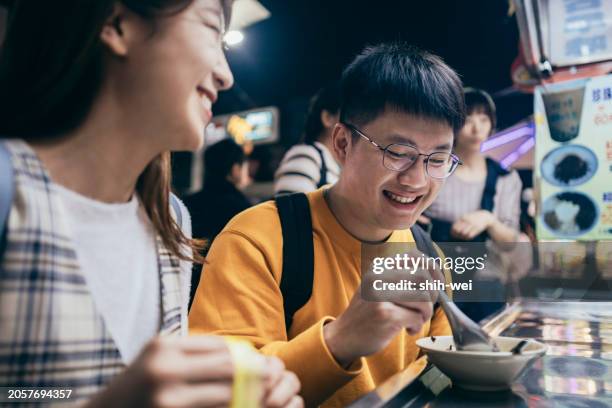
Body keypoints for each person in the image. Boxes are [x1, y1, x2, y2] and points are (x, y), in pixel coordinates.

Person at [0, 1, 302, 407]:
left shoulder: (171, 220)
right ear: (117, 23)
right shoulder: (10, 191)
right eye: (212, 29)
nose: (226, 76)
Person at [190, 42, 465, 407]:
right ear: (342, 143)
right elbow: (216, 395)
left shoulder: (428, 254)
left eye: (438, 158)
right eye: (398, 153)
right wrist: (340, 341)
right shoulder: (258, 239)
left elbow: (439, 373)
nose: (416, 179)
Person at [423, 87, 523, 321]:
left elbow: (511, 242)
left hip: (487, 286)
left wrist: (488, 220)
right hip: (436, 283)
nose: (477, 128)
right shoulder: (432, 170)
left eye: (484, 119)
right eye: (468, 118)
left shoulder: (506, 177)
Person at [184, 138, 251, 305]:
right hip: (223, 298)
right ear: (235, 170)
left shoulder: (187, 203)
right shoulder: (244, 209)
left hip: (188, 293)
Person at [274, 82, 342, 194]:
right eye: (349, 114)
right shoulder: (307, 154)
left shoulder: (332, 164)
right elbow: (290, 210)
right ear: (327, 118)